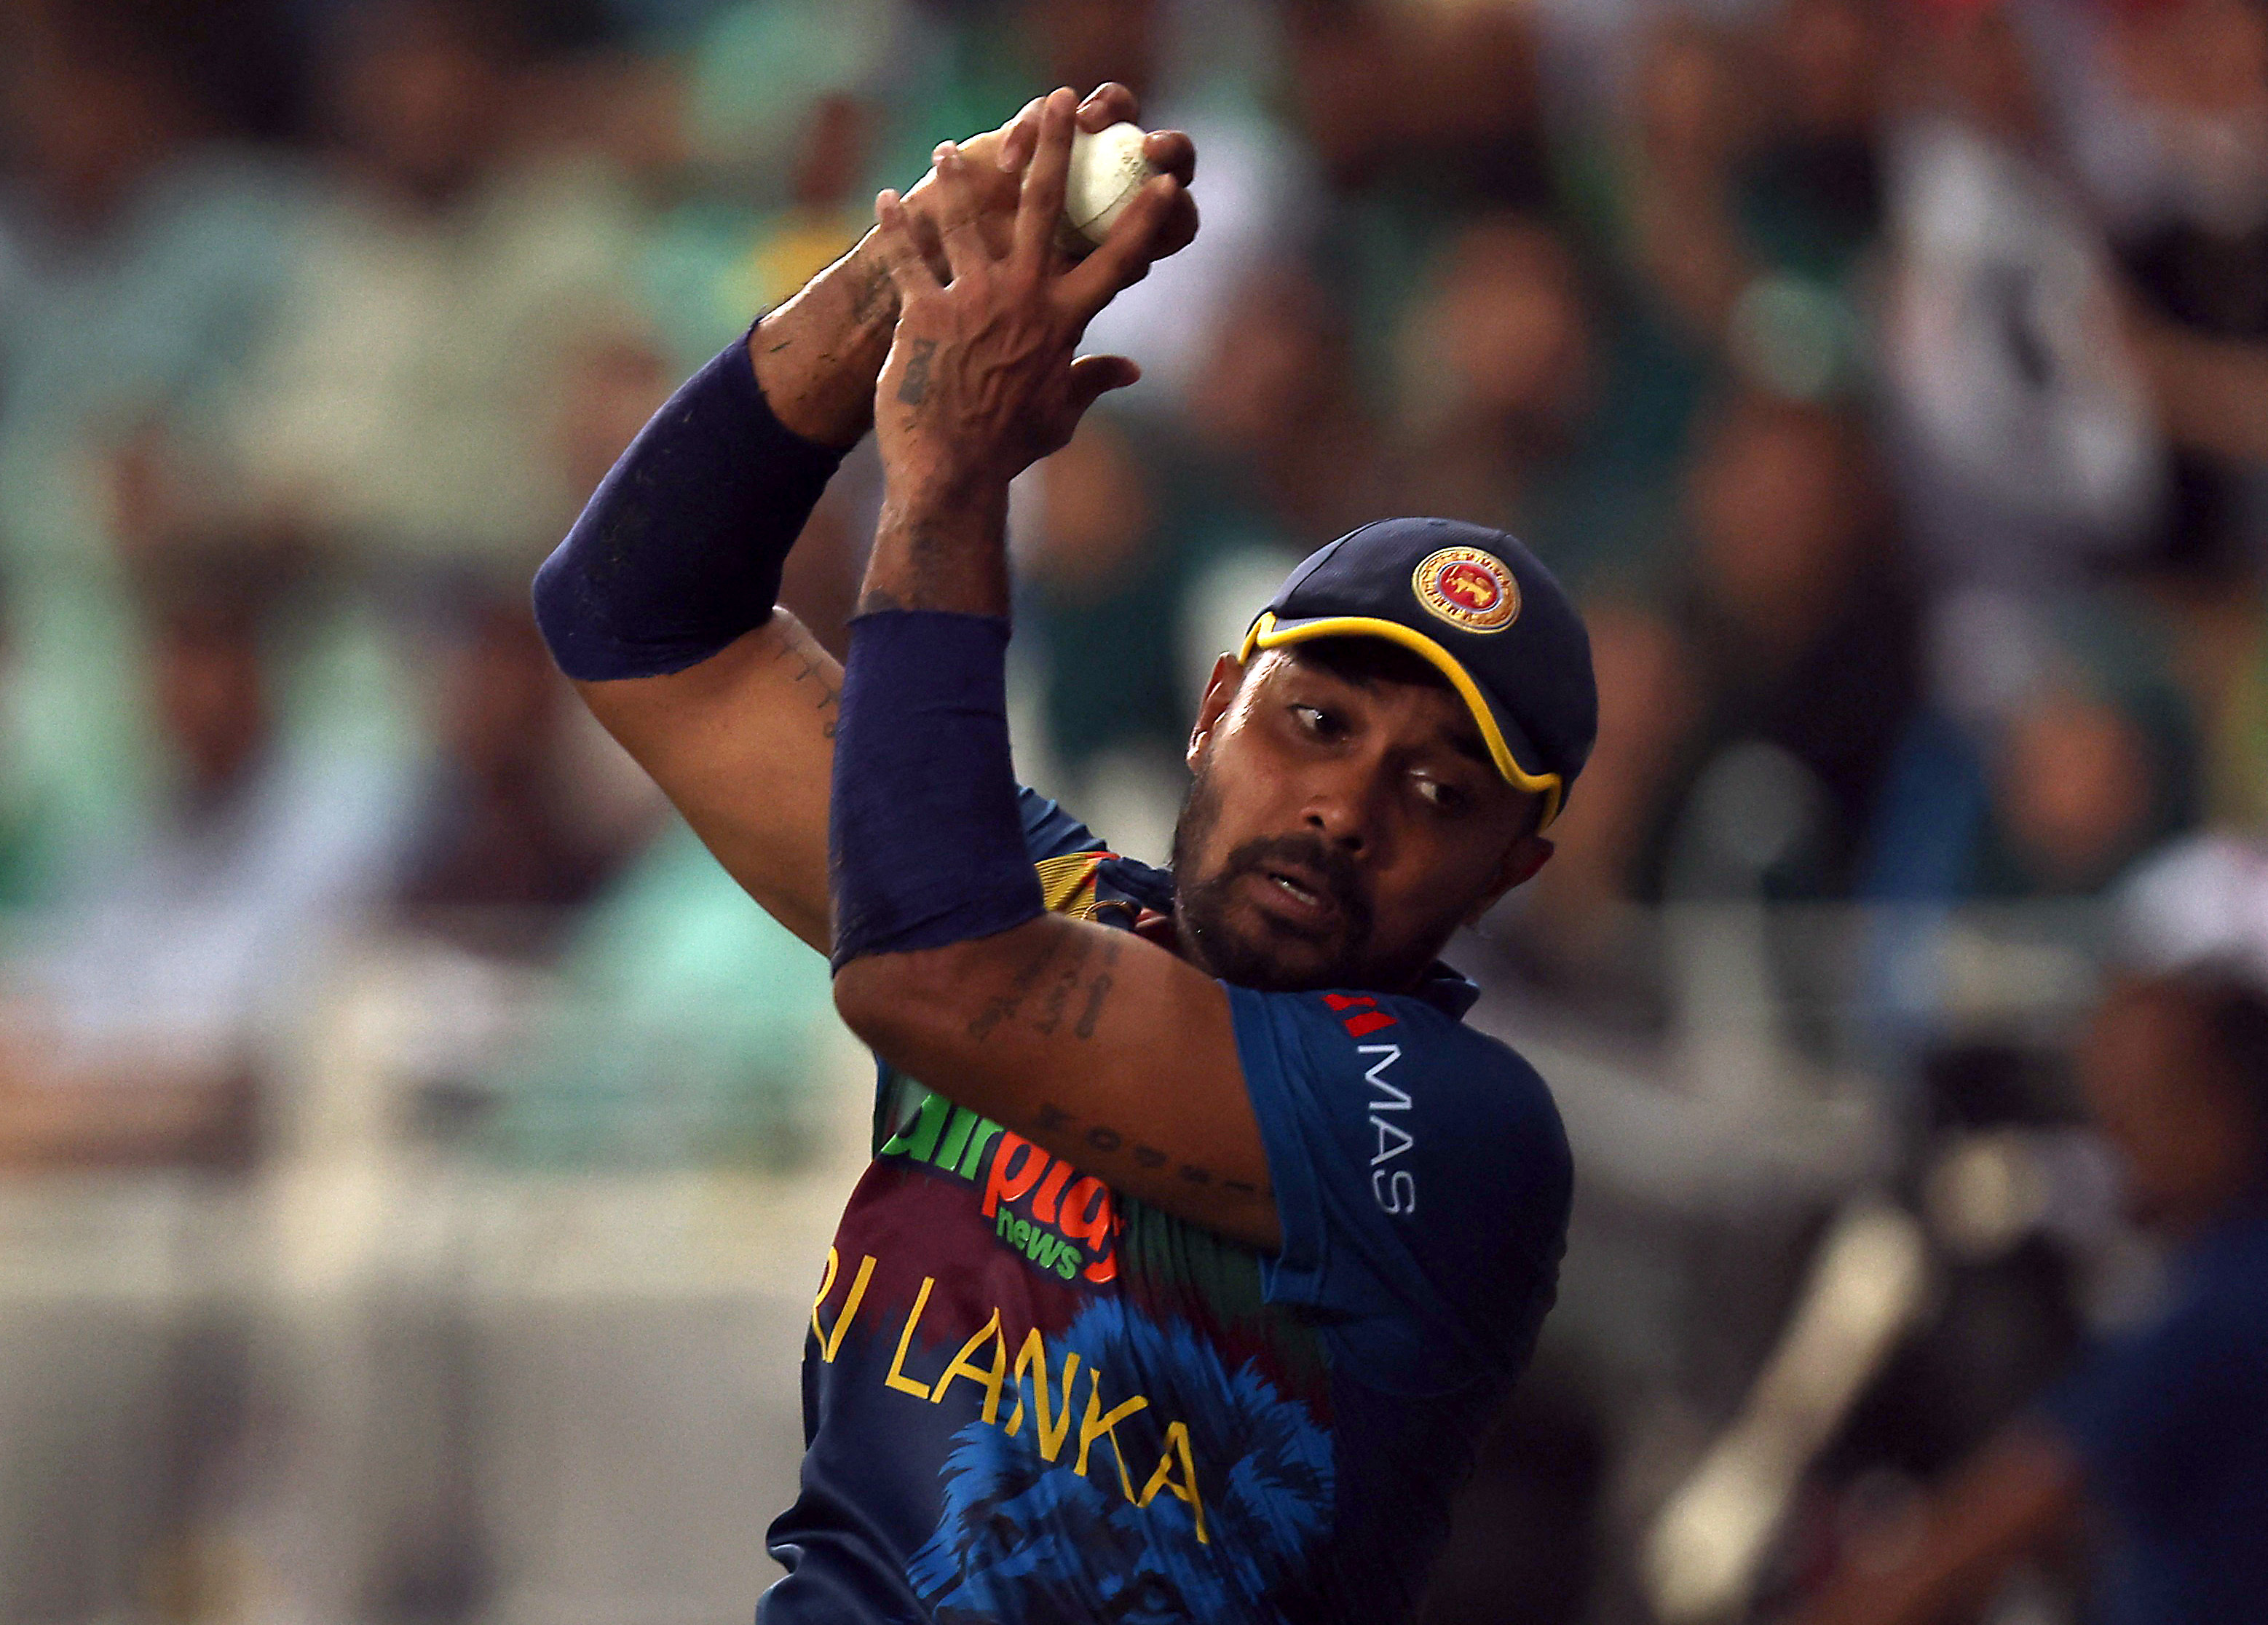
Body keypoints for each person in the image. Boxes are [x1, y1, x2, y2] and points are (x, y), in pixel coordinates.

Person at [533, 85, 1595, 1624]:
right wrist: (906, 278)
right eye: (1315, 722)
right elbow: (633, 618)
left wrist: (952, 470)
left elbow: (937, 981)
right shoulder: (1024, 895)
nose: (1346, 807)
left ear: (1509, 873)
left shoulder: (1456, 1129)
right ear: (1214, 709)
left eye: (1439, 794)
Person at [1787, 968, 2268, 1625]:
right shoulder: (2202, 1279)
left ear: (2226, 1106)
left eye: (2146, 1106)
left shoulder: (2220, 1307)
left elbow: (1986, 1530)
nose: (2113, 1141)